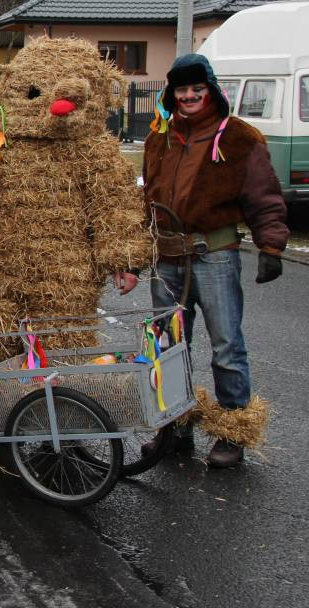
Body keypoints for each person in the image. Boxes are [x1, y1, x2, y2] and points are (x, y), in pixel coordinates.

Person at [143, 53, 287, 468]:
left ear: (210, 91)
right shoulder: (160, 138)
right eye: (182, 90)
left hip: (215, 256)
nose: (188, 96)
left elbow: (264, 196)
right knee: (168, 345)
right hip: (167, 257)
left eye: (196, 89)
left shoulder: (239, 137)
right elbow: (145, 199)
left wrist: (272, 247)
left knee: (226, 344)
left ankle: (232, 431)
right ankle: (174, 426)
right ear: (172, 95)